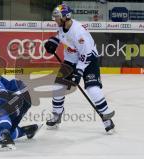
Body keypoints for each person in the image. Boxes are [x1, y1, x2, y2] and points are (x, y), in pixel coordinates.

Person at [44, 2, 115, 132]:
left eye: (57, 17)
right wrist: (53, 42)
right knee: (58, 87)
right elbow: (61, 35)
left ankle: (106, 117)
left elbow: (85, 54)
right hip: (71, 60)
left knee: (92, 89)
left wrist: (78, 73)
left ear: (65, 17)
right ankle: (57, 114)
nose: (55, 20)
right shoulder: (62, 26)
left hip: (88, 60)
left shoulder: (79, 32)